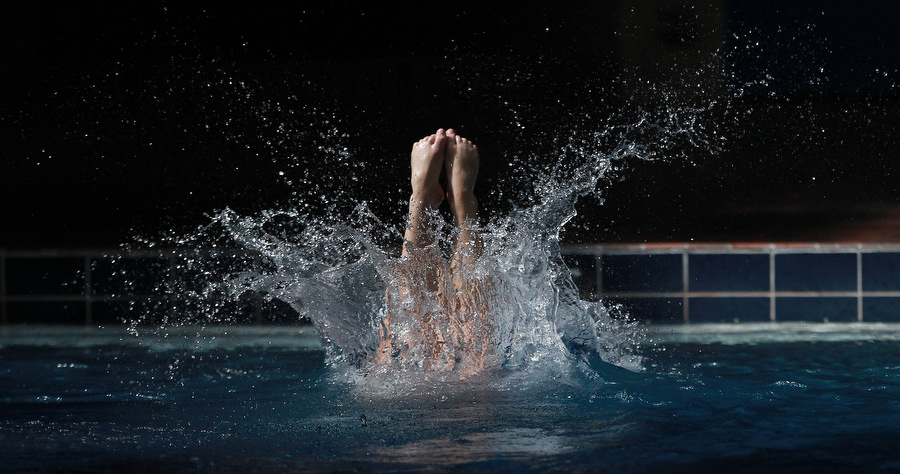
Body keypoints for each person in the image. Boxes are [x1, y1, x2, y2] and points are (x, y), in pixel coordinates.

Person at [375, 129, 492, 372]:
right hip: (469, 402)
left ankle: (420, 201)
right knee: (472, 363)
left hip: (397, 399)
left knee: (396, 360)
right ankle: (463, 204)